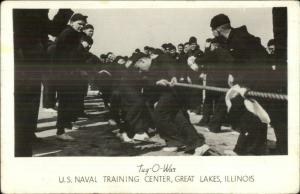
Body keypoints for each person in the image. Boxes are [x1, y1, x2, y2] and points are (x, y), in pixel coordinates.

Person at [14, 9, 74, 156]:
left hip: (32, 61)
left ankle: (26, 137)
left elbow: (51, 28)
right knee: (21, 105)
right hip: (22, 61)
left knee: (30, 103)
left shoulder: (38, 11)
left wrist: (65, 10)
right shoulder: (24, 11)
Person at [210, 13, 270, 155]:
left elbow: (255, 63)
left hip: (261, 80)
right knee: (256, 115)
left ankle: (241, 150)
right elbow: (240, 62)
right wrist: (233, 74)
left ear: (217, 29)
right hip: (258, 79)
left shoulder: (239, 39)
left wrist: (244, 84)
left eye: (212, 30)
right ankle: (257, 149)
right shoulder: (234, 38)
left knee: (250, 114)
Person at [139, 49, 209, 155]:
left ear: (143, 61)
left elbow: (171, 66)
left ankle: (176, 141)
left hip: (174, 92)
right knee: (177, 117)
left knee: (160, 114)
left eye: (140, 68)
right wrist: (156, 82)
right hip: (171, 93)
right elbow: (151, 81)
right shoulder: (153, 68)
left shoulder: (160, 58)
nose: (141, 71)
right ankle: (195, 143)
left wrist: (174, 76)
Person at [54, 13, 88, 141]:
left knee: (67, 101)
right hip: (65, 73)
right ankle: (60, 131)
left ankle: (65, 126)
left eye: (83, 25)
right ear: (71, 22)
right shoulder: (69, 33)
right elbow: (69, 55)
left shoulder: (71, 33)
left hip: (67, 72)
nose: (81, 27)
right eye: (79, 24)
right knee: (64, 102)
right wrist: (82, 48)